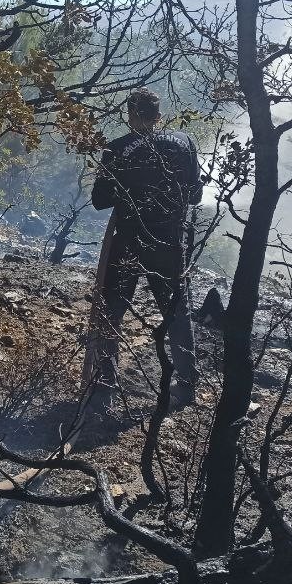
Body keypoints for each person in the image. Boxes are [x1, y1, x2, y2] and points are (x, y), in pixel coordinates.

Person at [84, 89, 202, 415]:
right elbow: (195, 196)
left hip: (128, 244)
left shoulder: (118, 148)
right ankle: (187, 384)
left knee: (112, 311)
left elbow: (99, 200)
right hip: (169, 243)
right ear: (158, 114)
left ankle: (104, 384)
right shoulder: (184, 143)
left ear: (130, 115)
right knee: (177, 312)